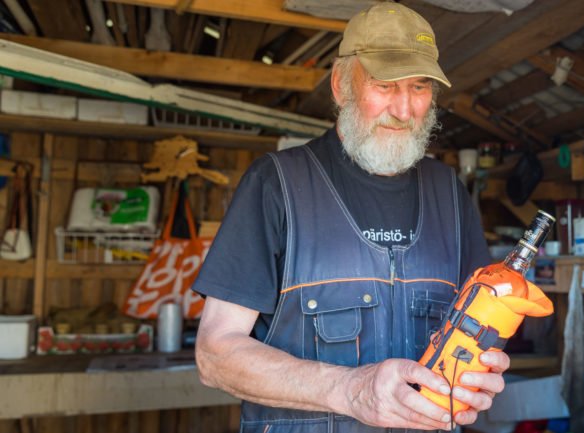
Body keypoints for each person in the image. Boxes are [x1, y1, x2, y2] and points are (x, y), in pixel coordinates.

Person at [193, 3, 509, 432]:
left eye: (418, 87)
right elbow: (216, 354)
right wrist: (351, 389)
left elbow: (481, 329)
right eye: (384, 85)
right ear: (341, 86)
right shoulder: (277, 184)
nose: (403, 109)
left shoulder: (449, 194)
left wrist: (484, 369)